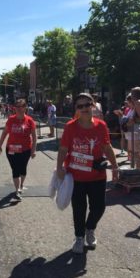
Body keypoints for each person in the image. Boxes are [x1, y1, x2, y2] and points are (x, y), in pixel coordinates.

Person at [56, 93, 119, 254]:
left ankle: (89, 229)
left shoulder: (101, 126)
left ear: (93, 105)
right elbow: (63, 149)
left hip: (97, 176)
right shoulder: (70, 127)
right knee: (79, 209)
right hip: (76, 176)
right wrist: (59, 168)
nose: (84, 108)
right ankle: (79, 237)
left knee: (99, 207)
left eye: (87, 104)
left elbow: (107, 147)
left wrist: (115, 167)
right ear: (76, 109)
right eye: (80, 106)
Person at [0, 99, 37, 201]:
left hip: (25, 150)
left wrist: (33, 150)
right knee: (15, 169)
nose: (19, 109)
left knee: (23, 169)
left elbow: (34, 137)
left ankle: (22, 183)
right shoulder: (11, 119)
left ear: (25, 108)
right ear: (14, 108)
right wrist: (0, 145)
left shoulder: (30, 121)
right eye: (17, 106)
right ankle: (17, 190)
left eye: (21, 106)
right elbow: (5, 132)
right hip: (11, 149)